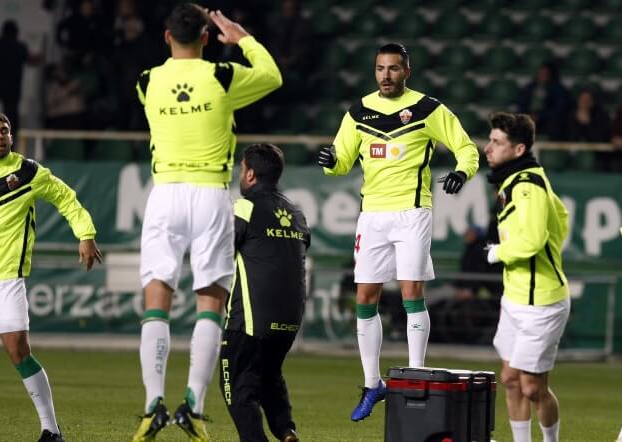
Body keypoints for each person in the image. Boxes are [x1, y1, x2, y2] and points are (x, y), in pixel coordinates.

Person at [132, 4, 281, 442]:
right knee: (210, 302)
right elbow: (272, 76)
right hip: (210, 195)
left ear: (165, 37)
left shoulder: (146, 82)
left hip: (165, 194)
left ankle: (151, 406)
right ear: (204, 37)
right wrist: (241, 39)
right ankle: (193, 407)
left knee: (156, 300)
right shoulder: (222, 77)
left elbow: (163, 85)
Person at [317, 42, 479, 422]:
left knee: (411, 291)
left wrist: (461, 172)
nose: (385, 75)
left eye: (393, 69)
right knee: (365, 297)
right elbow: (340, 161)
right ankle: (373, 384)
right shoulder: (358, 111)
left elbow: (466, 148)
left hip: (412, 211)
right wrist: (330, 161)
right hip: (372, 214)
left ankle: (415, 375)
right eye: (379, 69)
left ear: (407, 71)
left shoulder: (428, 109)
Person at [0, 112, 102, 442]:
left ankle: (51, 429)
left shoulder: (28, 171)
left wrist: (86, 234)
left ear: (11, 136)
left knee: (18, 351)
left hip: (7, 277)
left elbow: (65, 197)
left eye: (4, 131)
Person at [484, 112, 570, 442]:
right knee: (509, 378)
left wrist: (497, 253)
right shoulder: (515, 180)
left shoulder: (527, 186)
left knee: (533, 387)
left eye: (496, 142)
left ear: (518, 150)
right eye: (489, 140)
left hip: (542, 302)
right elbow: (561, 216)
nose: (487, 148)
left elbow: (533, 241)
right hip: (516, 296)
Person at [220, 143, 309, 442]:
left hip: (250, 320)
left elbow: (220, 254)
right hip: (290, 321)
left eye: (241, 169)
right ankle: (286, 431)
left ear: (251, 174)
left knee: (235, 384)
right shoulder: (297, 213)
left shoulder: (244, 207)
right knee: (269, 376)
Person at [517, 61, 571, 141]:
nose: (542, 75)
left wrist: (540, 116)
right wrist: (528, 116)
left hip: (547, 119)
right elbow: (521, 104)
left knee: (556, 123)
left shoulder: (558, 89)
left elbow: (559, 108)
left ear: (551, 75)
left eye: (545, 73)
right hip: (529, 117)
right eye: (540, 73)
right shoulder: (529, 88)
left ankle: (552, 149)